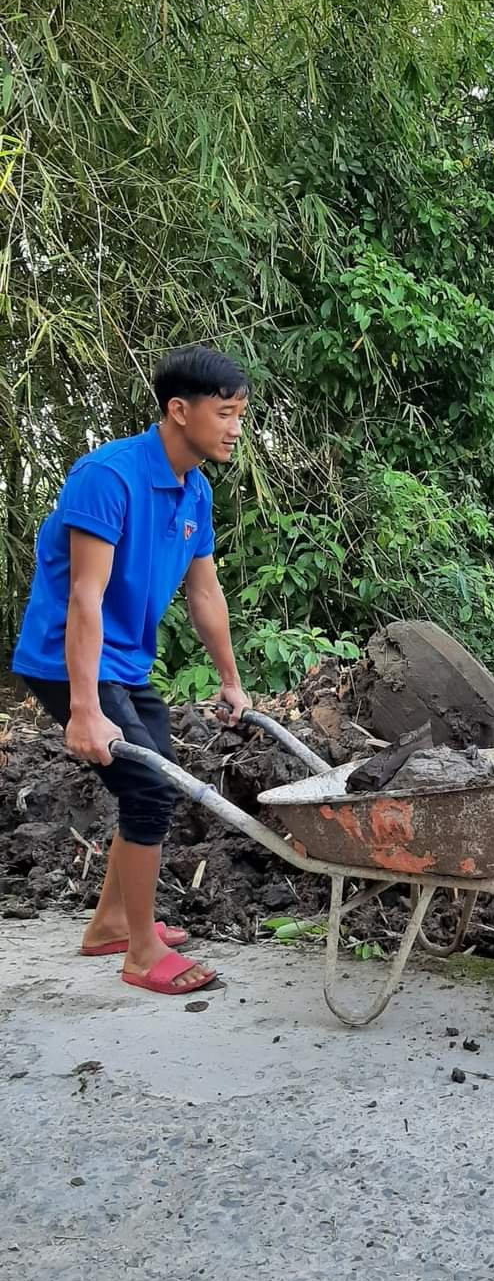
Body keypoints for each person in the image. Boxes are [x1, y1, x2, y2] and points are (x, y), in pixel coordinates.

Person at [12, 345, 252, 994]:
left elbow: (205, 594)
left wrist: (230, 680)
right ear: (179, 410)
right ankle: (141, 952)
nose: (235, 427)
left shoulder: (194, 491)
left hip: (123, 662)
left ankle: (111, 922)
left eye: (240, 415)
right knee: (149, 790)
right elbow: (84, 596)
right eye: (225, 413)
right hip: (68, 660)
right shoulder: (107, 476)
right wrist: (85, 709)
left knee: (151, 780)